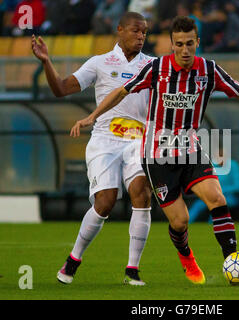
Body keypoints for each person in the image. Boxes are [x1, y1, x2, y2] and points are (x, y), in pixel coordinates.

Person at [70, 16, 239, 284]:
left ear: (197, 42)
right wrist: (92, 116)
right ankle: (186, 256)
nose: (184, 50)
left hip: (190, 150)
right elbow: (122, 91)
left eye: (189, 43)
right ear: (171, 44)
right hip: (158, 157)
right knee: (180, 222)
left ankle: (232, 261)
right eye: (178, 44)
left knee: (217, 199)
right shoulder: (157, 68)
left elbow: (238, 91)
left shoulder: (208, 70)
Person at [31, 12, 153, 286]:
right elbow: (61, 89)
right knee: (105, 202)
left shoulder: (153, 65)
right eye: (135, 31)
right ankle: (74, 259)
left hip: (139, 141)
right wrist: (46, 62)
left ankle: (132, 270)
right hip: (105, 141)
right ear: (119, 30)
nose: (141, 36)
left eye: (144, 32)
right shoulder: (100, 63)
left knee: (141, 195)